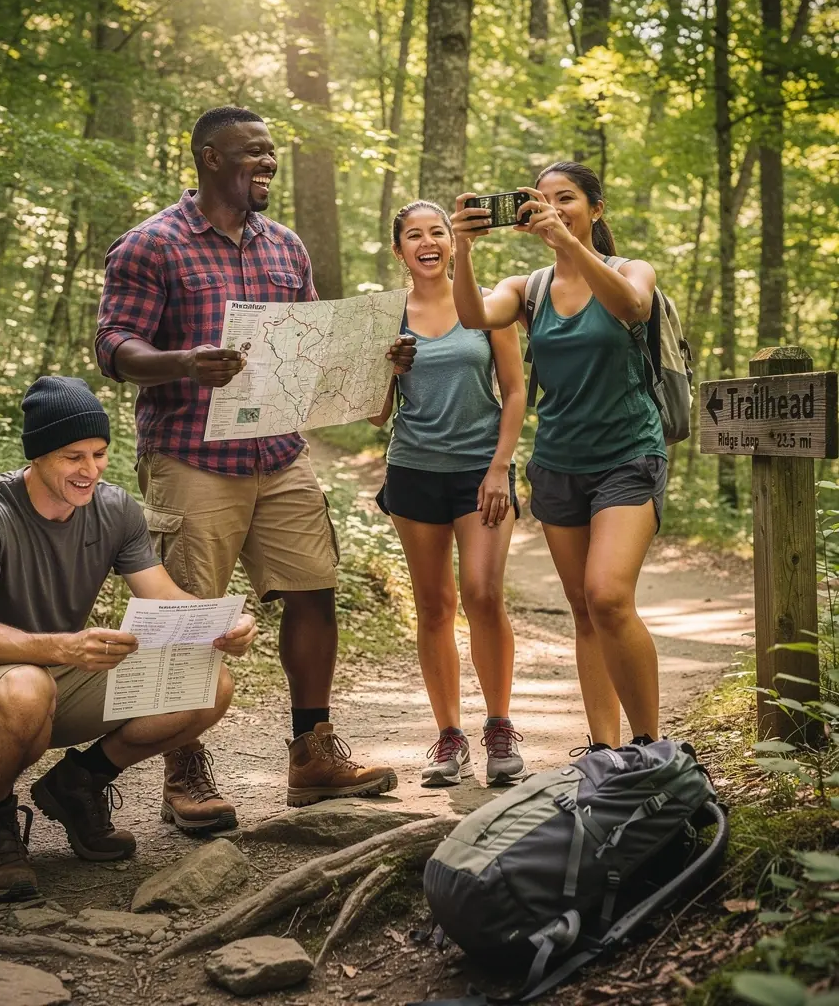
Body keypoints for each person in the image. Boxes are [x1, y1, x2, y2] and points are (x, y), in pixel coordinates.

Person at [95, 106, 416, 823]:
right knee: (185, 616)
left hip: (279, 454)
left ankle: (312, 754)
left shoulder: (286, 248)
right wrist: (184, 362)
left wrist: (377, 362)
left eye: (272, 154)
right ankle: (184, 770)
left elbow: (312, 350)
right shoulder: (153, 245)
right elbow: (114, 347)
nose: (268, 164)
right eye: (253, 154)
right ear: (210, 158)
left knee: (313, 588)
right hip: (189, 456)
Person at [0, 376, 258, 902]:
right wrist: (64, 648)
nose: (89, 470)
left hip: (51, 675)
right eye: (73, 456)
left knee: (211, 683)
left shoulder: (115, 509)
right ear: (39, 455)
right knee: (26, 689)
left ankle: (79, 784)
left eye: (98, 454)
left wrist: (223, 623)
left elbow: (161, 592)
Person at [451, 161, 666, 752]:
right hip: (558, 464)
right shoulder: (530, 288)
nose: (551, 207)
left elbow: (633, 307)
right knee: (583, 609)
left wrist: (568, 241)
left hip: (628, 456)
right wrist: (463, 250)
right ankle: (603, 749)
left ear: (595, 209)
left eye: (565, 198)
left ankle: (649, 747)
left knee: (608, 594)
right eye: (540, 199)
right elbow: (473, 316)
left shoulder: (630, 269)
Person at [369, 201, 527, 787]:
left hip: (481, 471)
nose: (428, 242)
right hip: (412, 470)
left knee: (483, 593)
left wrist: (499, 468)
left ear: (453, 242)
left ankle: (500, 726)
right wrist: (387, 368)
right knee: (434, 606)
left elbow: (514, 392)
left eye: (437, 232)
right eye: (414, 235)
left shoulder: (486, 306)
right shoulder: (389, 315)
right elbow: (375, 414)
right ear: (399, 250)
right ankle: (449, 736)